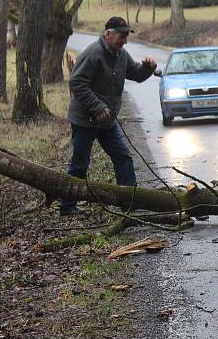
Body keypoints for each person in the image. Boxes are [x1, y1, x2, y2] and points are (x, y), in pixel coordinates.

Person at [62, 16, 157, 215]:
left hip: (107, 121)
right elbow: (77, 82)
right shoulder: (93, 53)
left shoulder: (121, 54)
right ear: (108, 34)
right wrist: (97, 107)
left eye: (126, 36)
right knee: (80, 164)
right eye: (121, 35)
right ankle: (67, 207)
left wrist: (148, 68)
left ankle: (129, 202)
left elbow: (136, 74)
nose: (124, 40)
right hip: (84, 120)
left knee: (123, 157)